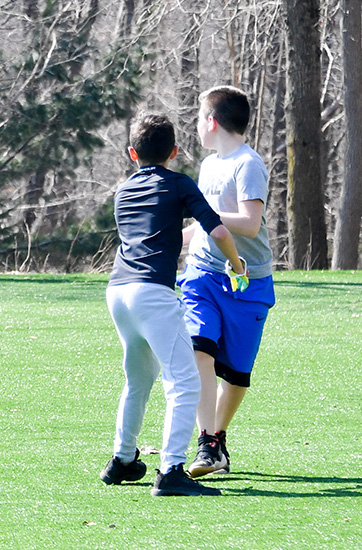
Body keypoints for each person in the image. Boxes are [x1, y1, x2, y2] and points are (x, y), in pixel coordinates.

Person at [99, 114, 247, 496]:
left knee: (138, 378)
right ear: (175, 152)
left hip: (118, 291)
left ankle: (123, 460)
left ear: (132, 153)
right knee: (184, 381)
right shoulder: (180, 184)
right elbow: (216, 229)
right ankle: (172, 470)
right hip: (152, 294)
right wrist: (236, 263)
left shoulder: (123, 191)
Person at [179, 85, 277, 478]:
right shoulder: (208, 165)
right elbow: (208, 229)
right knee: (198, 349)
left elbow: (250, 225)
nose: (196, 126)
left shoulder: (247, 164)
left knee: (236, 374)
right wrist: (169, 238)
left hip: (247, 281)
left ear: (212, 121)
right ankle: (206, 442)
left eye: (199, 118)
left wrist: (205, 212)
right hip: (202, 274)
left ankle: (216, 440)